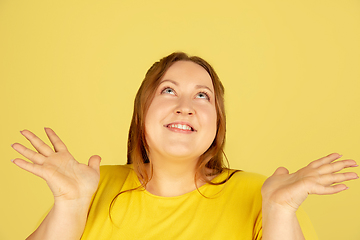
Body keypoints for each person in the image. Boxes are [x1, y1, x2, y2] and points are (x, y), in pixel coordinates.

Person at [11, 52, 358, 240]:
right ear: (141, 113)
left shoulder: (263, 195)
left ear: (217, 122)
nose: (185, 105)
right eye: (168, 91)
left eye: (202, 96)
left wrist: (280, 210)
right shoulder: (88, 186)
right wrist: (71, 206)